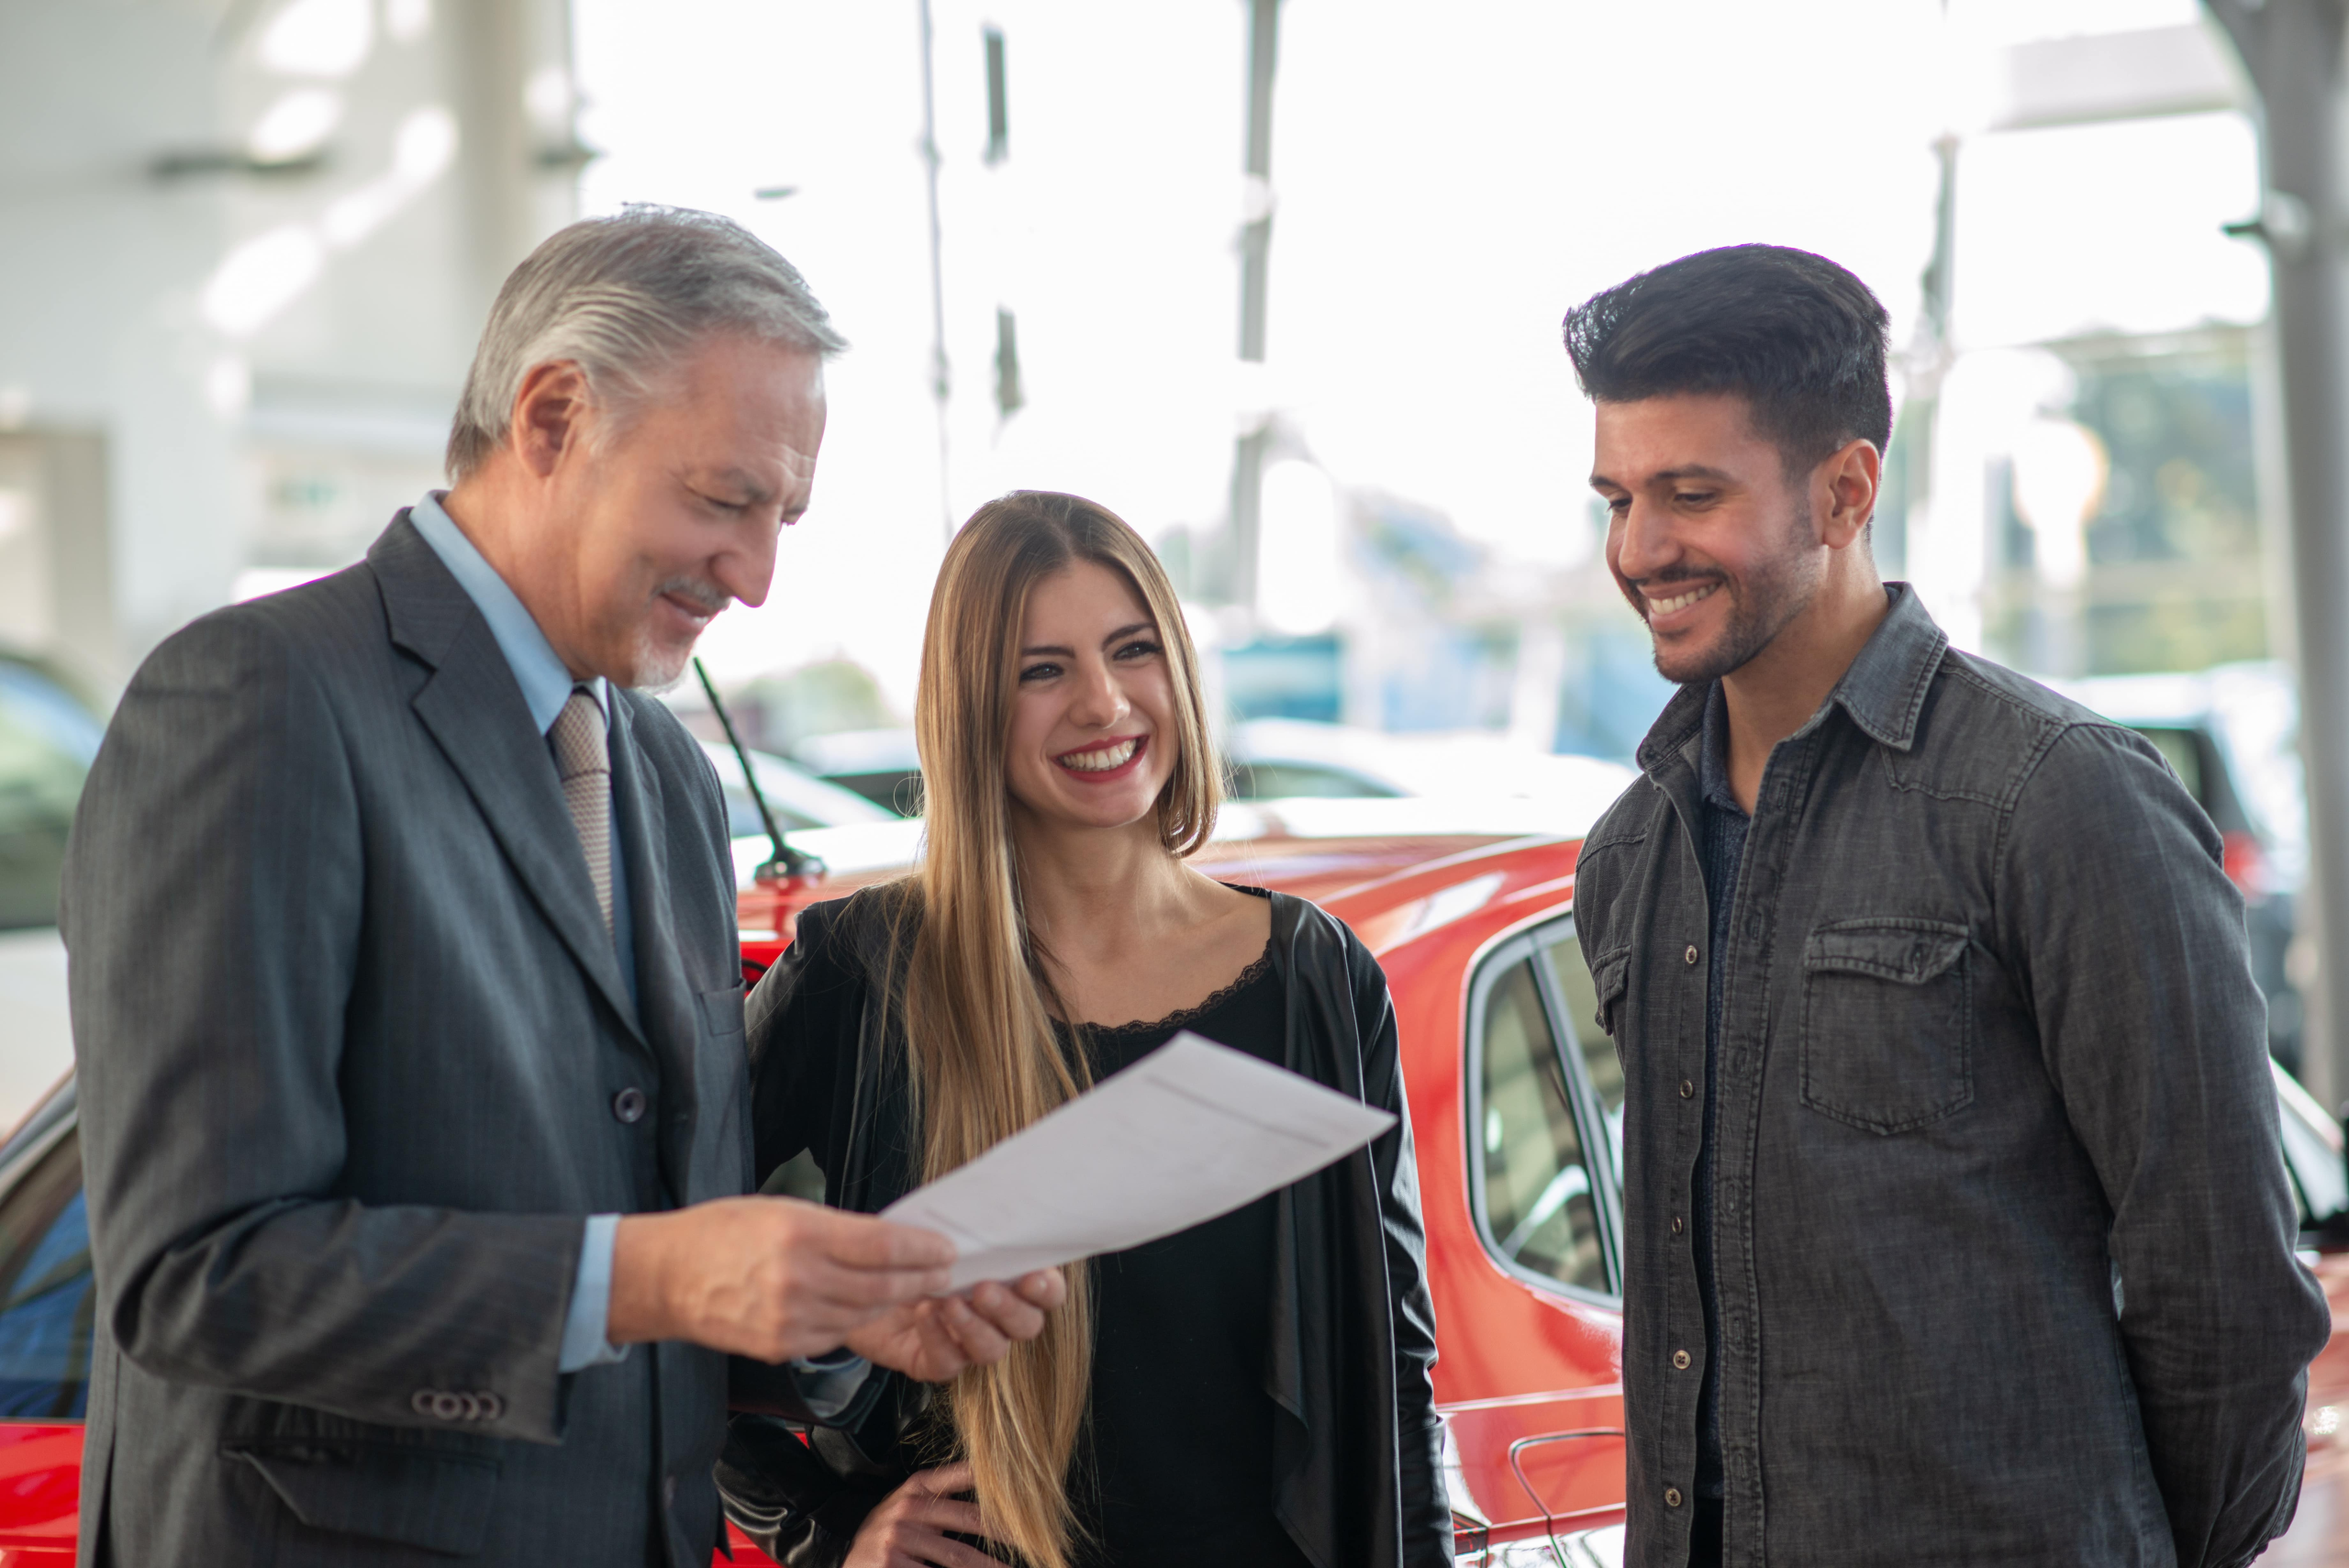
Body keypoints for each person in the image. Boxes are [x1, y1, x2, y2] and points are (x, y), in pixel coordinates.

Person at [61, 206, 1060, 1568]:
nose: (759, 579)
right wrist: (665, 1274)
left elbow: (648, 1254)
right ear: (550, 419)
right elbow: (199, 1278)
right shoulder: (256, 701)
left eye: (785, 517)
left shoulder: (664, 771)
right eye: (724, 500)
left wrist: (818, 1313)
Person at [1560, 243, 2332, 1568]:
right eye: (1617, 498)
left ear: (1847, 488)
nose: (1641, 548)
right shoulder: (1634, 852)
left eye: (1691, 493)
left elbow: (2227, 1293)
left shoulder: (2057, 799)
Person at [715, 491, 1451, 1568]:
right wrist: (826, 1534)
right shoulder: (862, 972)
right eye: (1041, 669)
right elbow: (660, 1274)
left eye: (1131, 649)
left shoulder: (1314, 976)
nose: (1104, 703)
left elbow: (1395, 1364)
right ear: (972, 704)